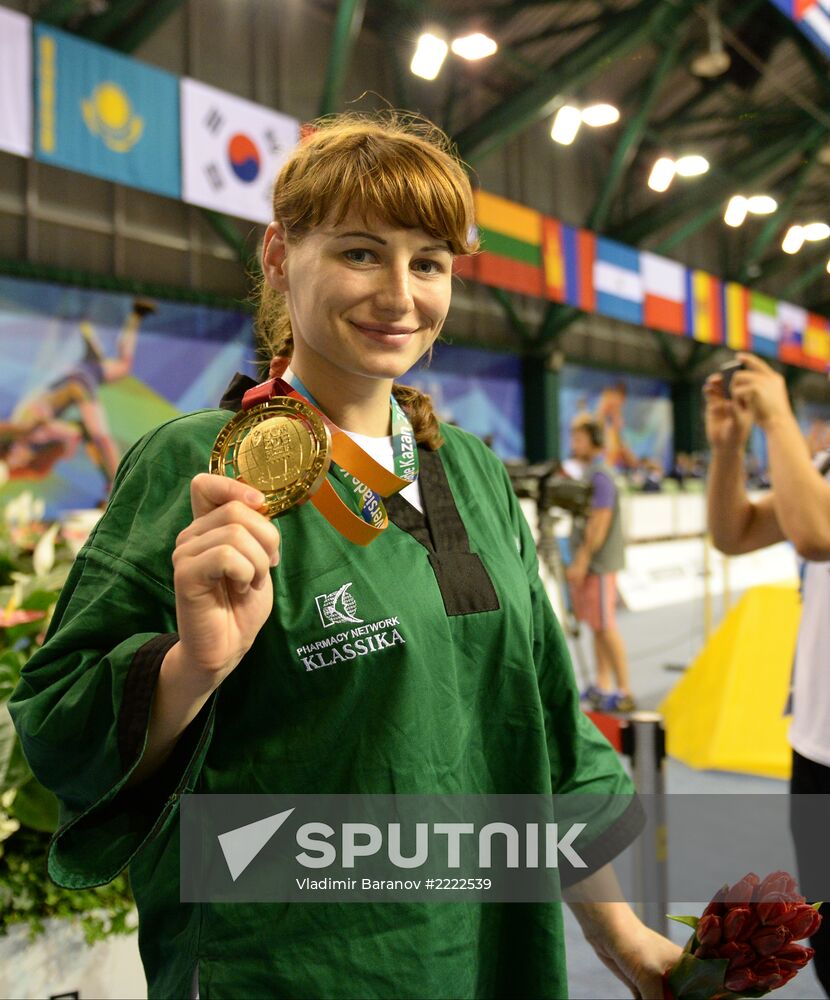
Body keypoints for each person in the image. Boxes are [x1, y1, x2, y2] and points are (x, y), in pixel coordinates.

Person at [10, 115, 678, 999]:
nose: (401, 295)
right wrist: (190, 667)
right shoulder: (194, 465)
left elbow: (544, 728)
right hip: (291, 964)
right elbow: (61, 724)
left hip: (488, 953)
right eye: (363, 253)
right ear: (280, 256)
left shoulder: (471, 472)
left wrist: (625, 940)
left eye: (430, 262)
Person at [704, 351, 830, 997]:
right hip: (816, 747)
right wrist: (730, 446)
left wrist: (779, 419)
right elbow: (736, 531)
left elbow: (817, 534)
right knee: (826, 934)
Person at [9, 299, 154, 490]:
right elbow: (69, 438)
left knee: (100, 436)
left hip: (76, 383)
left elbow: (67, 433)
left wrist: (70, 434)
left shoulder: (25, 429)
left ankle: (118, 482)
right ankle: (136, 317)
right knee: (123, 367)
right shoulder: (35, 437)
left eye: (14, 460)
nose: (18, 460)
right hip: (82, 375)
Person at [566, 415, 635, 713]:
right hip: (596, 563)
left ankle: (624, 690)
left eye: (579, 438)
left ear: (594, 441)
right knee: (597, 625)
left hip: (599, 564)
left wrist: (581, 560)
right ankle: (602, 684)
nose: (573, 444)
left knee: (606, 627)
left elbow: (600, 522)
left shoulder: (600, 477)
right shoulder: (593, 473)